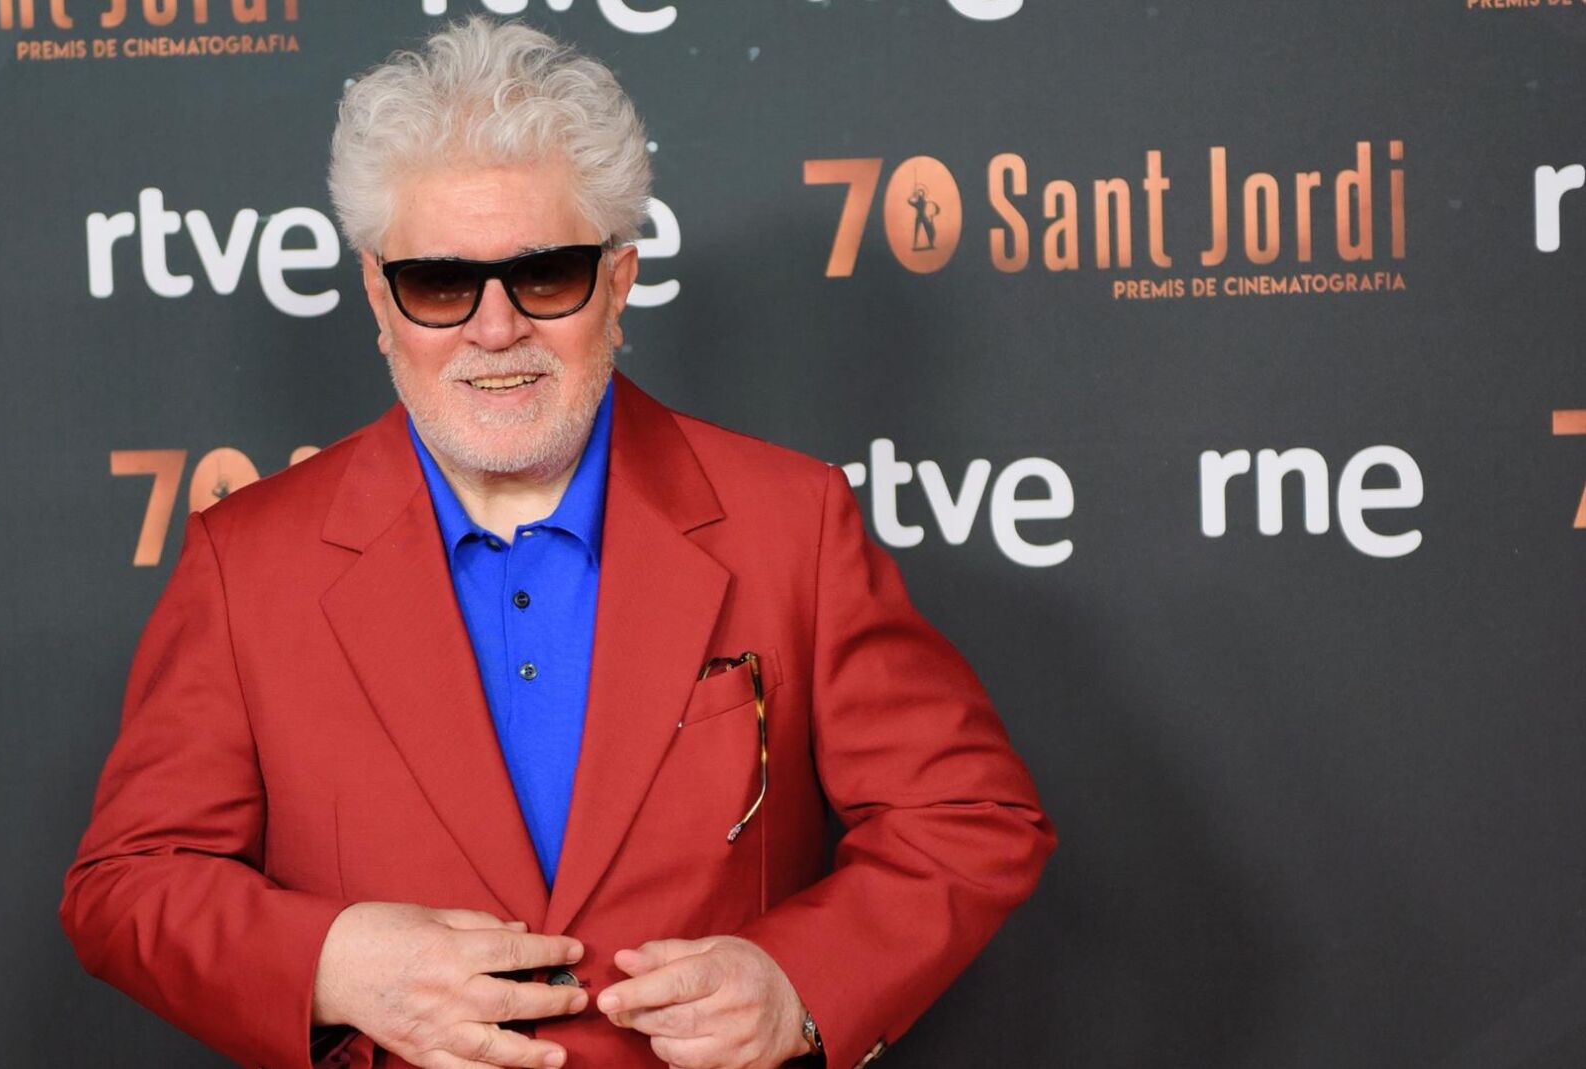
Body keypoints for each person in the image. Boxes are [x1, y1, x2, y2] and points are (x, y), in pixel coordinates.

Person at [60, 17, 1054, 1069]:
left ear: (618, 283)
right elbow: (128, 884)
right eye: (440, 284)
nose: (495, 330)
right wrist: (332, 965)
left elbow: (968, 815)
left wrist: (799, 984)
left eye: (545, 276)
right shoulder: (247, 562)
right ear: (378, 299)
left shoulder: (790, 522)